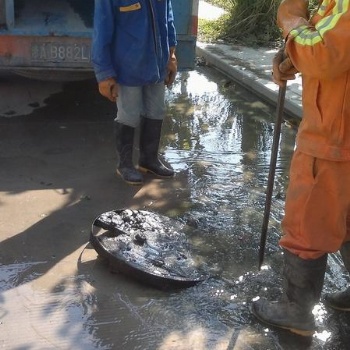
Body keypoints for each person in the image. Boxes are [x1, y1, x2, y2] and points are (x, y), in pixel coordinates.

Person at [252, 0, 350, 337]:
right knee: (347, 218)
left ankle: (297, 311)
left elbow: (324, 53)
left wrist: (291, 18)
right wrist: (294, 55)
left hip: (334, 137)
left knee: (306, 222)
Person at [92, 0, 178, 185]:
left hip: (157, 64)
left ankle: (149, 160)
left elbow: (168, 18)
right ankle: (124, 165)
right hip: (128, 67)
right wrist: (104, 73)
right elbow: (102, 31)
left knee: (156, 110)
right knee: (128, 115)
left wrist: (171, 55)